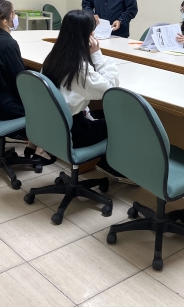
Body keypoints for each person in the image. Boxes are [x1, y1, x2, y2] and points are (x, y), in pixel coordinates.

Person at [42, 10, 126, 180]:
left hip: (53, 126)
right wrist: (97, 56)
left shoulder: (53, 57)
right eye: (92, 31)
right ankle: (109, 166)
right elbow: (110, 88)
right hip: (74, 132)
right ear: (86, 35)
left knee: (105, 114)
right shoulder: (79, 68)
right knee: (123, 122)